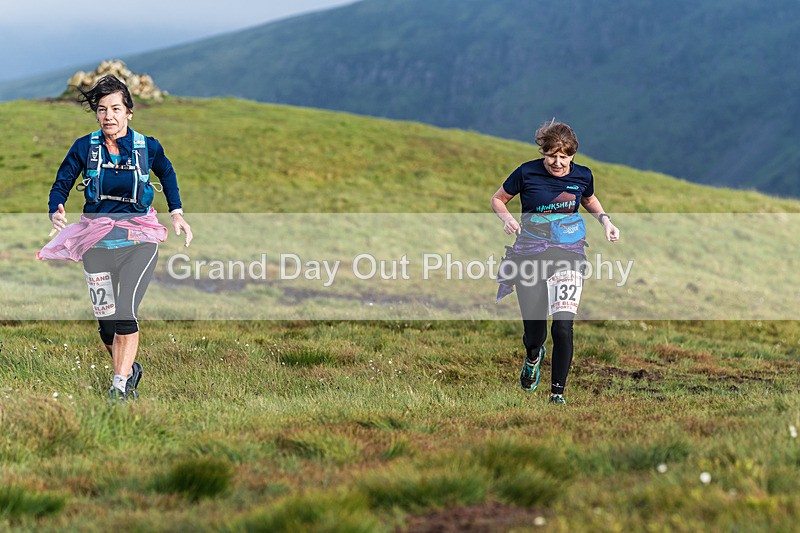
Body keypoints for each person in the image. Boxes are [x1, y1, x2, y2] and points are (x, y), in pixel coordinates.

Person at [38, 75, 193, 401]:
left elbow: (167, 172)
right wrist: (57, 207)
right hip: (96, 245)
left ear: (129, 112)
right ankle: (129, 369)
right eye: (102, 109)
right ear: (96, 113)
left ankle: (119, 387)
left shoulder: (147, 146)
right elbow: (62, 180)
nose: (109, 115)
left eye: (116, 108)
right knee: (106, 324)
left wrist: (176, 212)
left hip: (140, 241)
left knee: (125, 314)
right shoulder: (84, 147)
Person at [491, 120, 619, 405]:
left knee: (562, 326)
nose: (557, 162)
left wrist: (605, 220)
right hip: (529, 255)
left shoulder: (583, 175)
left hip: (569, 255)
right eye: (551, 156)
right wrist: (509, 219)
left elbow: (588, 198)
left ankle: (557, 394)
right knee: (534, 333)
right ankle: (533, 355)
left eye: (563, 156)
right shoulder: (526, 172)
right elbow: (498, 199)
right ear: (543, 153)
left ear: (572, 155)